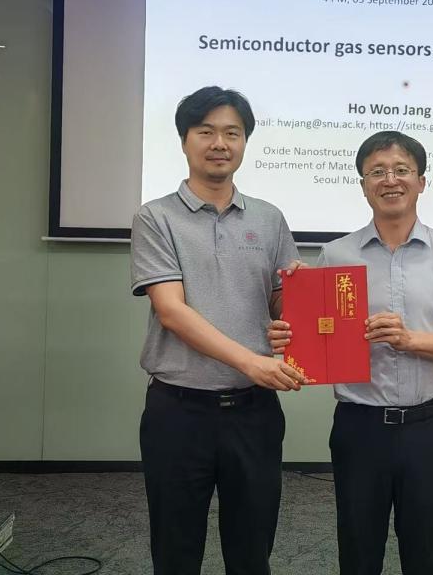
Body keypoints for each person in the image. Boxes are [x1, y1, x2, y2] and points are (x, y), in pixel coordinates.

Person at [269, 130, 433, 575]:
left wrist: (410, 340)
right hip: (359, 429)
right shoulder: (335, 255)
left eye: (401, 170)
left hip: (426, 429)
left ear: (421, 181)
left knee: (425, 554)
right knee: (357, 552)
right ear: (363, 185)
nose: (390, 180)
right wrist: (292, 320)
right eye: (377, 172)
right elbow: (316, 335)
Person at [130, 85, 308, 575]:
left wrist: (299, 297)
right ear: (184, 140)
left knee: (252, 551)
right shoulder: (155, 217)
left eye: (232, 133)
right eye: (205, 131)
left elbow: (278, 302)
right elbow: (172, 312)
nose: (219, 143)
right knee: (175, 550)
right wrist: (251, 361)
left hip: (254, 413)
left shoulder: (269, 219)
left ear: (245, 142)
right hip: (178, 412)